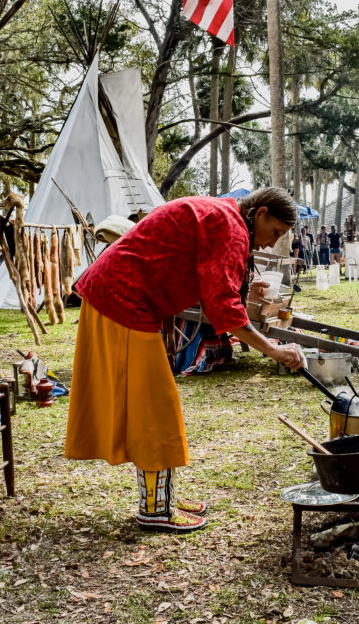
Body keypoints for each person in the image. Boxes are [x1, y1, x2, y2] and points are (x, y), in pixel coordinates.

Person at [65, 187, 306, 534]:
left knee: (155, 405)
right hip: (121, 300)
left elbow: (213, 283)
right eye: (275, 233)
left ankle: (164, 498)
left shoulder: (223, 216)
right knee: (155, 409)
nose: (271, 243)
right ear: (261, 213)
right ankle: (156, 510)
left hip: (122, 297)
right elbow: (223, 307)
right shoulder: (231, 225)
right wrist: (274, 349)